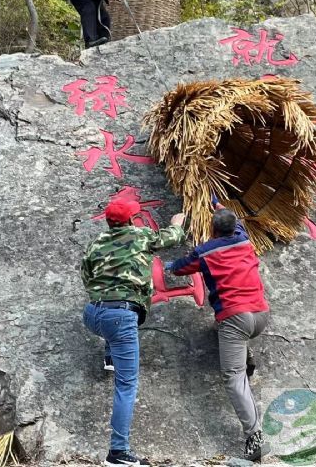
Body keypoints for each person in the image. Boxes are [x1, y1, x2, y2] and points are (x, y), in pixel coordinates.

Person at [81, 197, 186, 467]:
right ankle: (118, 452)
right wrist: (177, 222)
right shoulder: (140, 235)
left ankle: (109, 357)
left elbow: (87, 277)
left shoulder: (97, 243)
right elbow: (171, 238)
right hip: (121, 316)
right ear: (130, 220)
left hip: (93, 314)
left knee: (111, 326)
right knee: (126, 386)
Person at [165, 197, 271, 462]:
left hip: (235, 319)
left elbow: (179, 269)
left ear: (212, 230)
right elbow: (228, 215)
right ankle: (245, 356)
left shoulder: (206, 251)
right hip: (260, 314)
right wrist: (215, 201)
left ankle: (254, 436)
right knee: (223, 330)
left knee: (233, 377)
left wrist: (166, 264)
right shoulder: (244, 239)